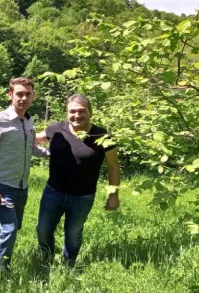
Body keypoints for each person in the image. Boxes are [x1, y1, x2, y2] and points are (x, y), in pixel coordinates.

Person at [35, 94, 121, 266]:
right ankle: (46, 258)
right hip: (53, 191)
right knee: (43, 230)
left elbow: (113, 167)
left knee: (73, 234)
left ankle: (69, 264)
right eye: (72, 111)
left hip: (83, 196)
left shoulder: (102, 135)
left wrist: (113, 195)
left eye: (82, 111)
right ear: (67, 113)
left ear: (90, 112)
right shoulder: (56, 129)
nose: (77, 115)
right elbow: (35, 139)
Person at [0, 77, 49, 272]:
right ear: (10, 95)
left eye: (28, 94)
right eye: (19, 94)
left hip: (22, 187)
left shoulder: (28, 121)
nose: (23, 98)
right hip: (2, 186)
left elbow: (31, 148)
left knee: (13, 228)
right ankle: (0, 274)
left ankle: (2, 260)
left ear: (33, 97)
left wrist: (52, 154)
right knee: (9, 230)